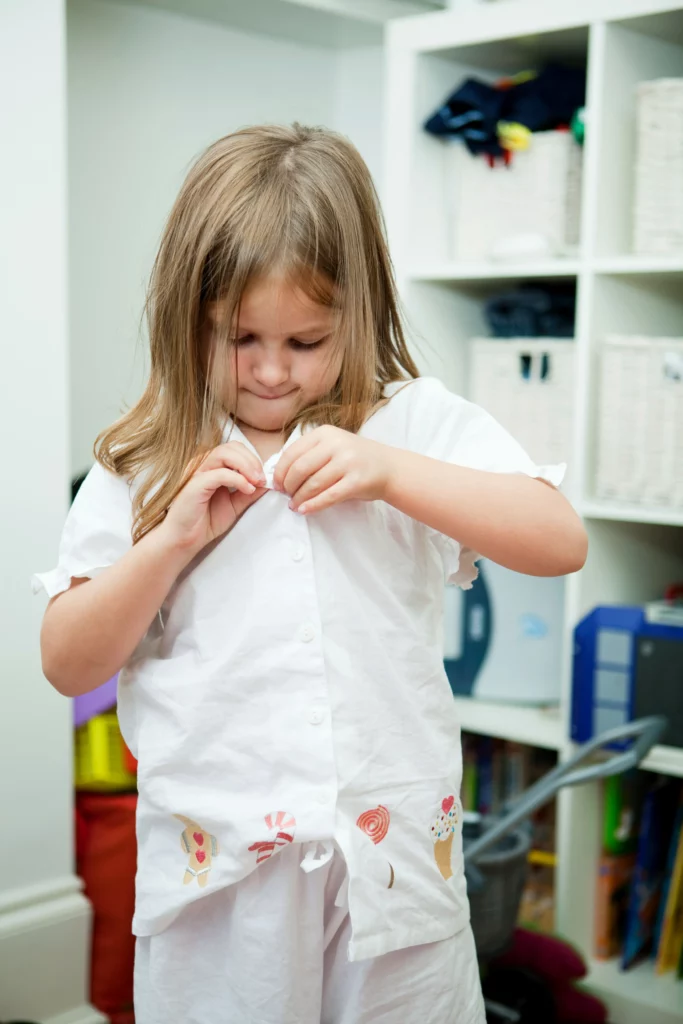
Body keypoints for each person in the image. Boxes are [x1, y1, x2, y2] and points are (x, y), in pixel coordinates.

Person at [36, 124, 587, 1024]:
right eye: (237, 336)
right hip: (220, 873)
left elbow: (557, 540)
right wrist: (169, 541)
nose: (267, 371)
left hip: (394, 860)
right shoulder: (143, 458)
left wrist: (393, 475)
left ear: (358, 315)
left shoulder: (411, 423)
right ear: (187, 314)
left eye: (305, 341)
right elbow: (67, 662)